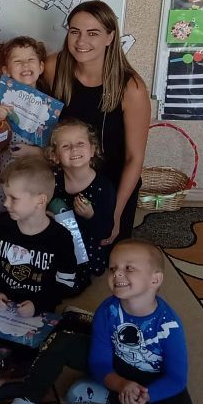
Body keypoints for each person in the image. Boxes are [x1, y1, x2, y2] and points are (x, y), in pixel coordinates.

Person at [0, 239, 194, 404]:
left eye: (129, 268)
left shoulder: (169, 326)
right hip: (115, 362)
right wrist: (120, 384)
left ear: (155, 279)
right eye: (113, 268)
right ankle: (27, 403)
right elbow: (99, 362)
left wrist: (146, 395)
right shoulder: (107, 310)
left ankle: (106, 396)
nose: (117, 273)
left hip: (149, 378)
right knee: (61, 341)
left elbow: (176, 378)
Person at [43, 0, 150, 244]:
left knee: (106, 255)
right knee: (58, 252)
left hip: (111, 187)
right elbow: (29, 106)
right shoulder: (53, 67)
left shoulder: (131, 88)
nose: (81, 41)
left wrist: (115, 214)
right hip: (65, 179)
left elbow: (134, 158)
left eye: (93, 33)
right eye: (75, 31)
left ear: (110, 37)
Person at [0, 156, 77, 317]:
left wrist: (38, 304)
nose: (6, 203)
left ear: (40, 201)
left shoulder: (61, 238)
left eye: (13, 198)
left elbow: (65, 282)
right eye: (6, 196)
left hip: (39, 311)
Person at [48, 118, 116, 286]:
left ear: (92, 150)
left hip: (87, 251)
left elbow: (105, 231)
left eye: (80, 143)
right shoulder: (52, 181)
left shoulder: (103, 187)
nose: (74, 149)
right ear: (55, 156)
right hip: (58, 245)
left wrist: (90, 215)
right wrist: (46, 216)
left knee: (73, 283)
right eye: (66, 146)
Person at [0, 36, 49, 215]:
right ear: (6, 70)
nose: (25, 65)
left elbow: (55, 146)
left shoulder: (50, 107)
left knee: (31, 211)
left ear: (41, 67)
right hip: (5, 169)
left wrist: (37, 152)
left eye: (30, 59)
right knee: (4, 210)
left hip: (35, 172)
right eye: (18, 61)